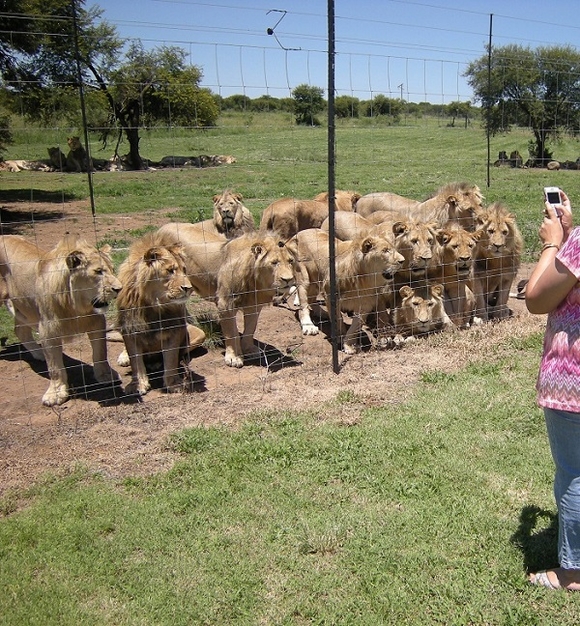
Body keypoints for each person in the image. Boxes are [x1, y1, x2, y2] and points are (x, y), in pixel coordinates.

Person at [525, 188, 580, 590]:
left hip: (572, 381)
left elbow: (536, 297)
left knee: (575, 474)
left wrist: (551, 244)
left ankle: (573, 571)